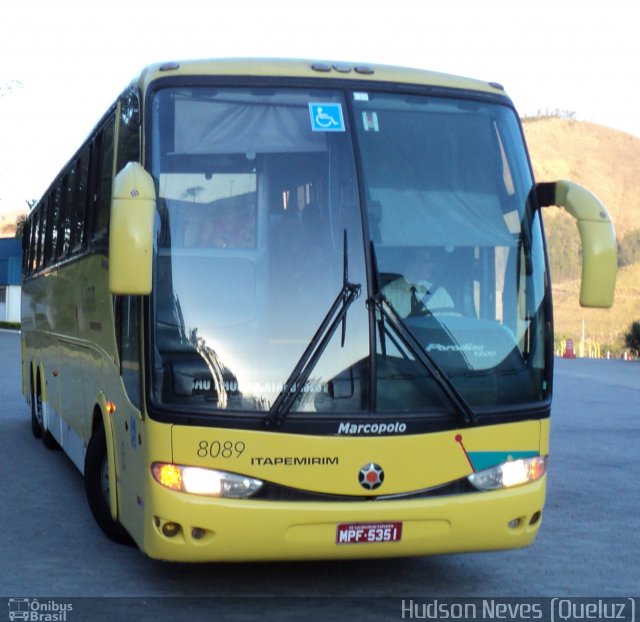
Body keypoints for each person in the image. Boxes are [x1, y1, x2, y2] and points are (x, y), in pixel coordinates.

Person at [383, 248, 454, 318]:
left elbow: (452, 321)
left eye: (431, 262)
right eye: (425, 262)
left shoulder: (439, 294)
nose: (430, 266)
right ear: (410, 263)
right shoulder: (388, 293)